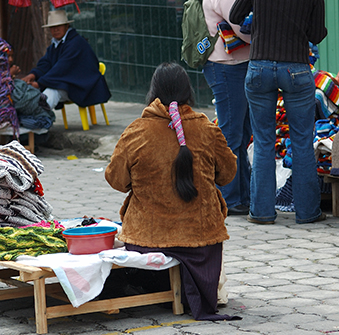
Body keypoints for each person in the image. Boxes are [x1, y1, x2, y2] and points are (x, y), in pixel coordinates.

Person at [105, 62, 239, 321]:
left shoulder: (136, 131)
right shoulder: (207, 129)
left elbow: (117, 180)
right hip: (202, 245)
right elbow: (228, 174)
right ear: (188, 91)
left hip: (146, 242)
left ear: (152, 92)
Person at [230, 0, 328, 224]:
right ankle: (308, 213)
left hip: (259, 67)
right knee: (302, 141)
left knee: (264, 141)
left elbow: (236, 15)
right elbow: (317, 34)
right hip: (296, 68)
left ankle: (262, 212)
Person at [202, 0, 251, 216]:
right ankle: (228, 198)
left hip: (236, 64)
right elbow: (242, 29)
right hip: (226, 66)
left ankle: (242, 196)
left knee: (241, 134)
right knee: (231, 135)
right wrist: (269, 35)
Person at [21, 10, 111, 111]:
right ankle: (31, 117)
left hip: (85, 85)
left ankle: (39, 119)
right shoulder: (55, 46)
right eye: (52, 27)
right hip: (69, 83)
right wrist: (33, 75)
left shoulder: (76, 43)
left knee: (52, 91)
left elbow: (62, 68)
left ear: (67, 26)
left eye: (59, 26)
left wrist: (39, 84)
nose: (55, 30)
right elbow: (45, 63)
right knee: (39, 92)